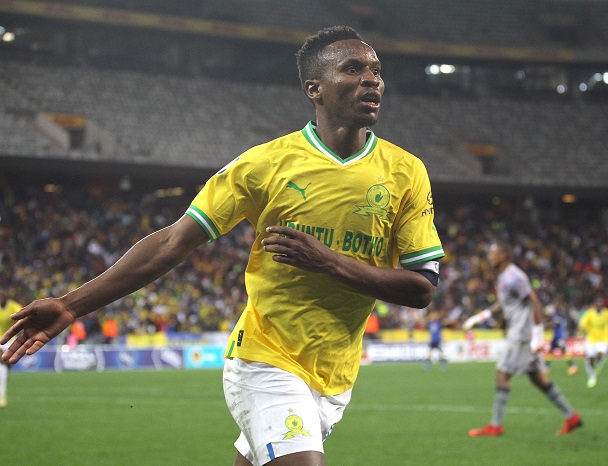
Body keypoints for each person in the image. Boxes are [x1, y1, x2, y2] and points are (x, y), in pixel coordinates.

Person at [1, 26, 444, 466]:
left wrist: (327, 261)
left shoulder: (406, 172)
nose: (372, 79)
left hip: (335, 373)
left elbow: (421, 289)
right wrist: (71, 305)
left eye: (376, 71)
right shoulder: (264, 164)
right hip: (264, 359)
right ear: (315, 88)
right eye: (353, 69)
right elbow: (173, 242)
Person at [463, 242, 581, 436]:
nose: (489, 257)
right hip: (521, 331)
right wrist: (480, 317)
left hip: (521, 333)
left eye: (493, 253)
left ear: (504, 255)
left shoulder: (515, 276)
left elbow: (533, 300)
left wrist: (538, 334)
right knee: (538, 379)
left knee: (502, 374)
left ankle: (496, 426)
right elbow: (503, 304)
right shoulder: (503, 278)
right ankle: (572, 417)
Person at [578, 298, 608, 388]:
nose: (598, 305)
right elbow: (583, 323)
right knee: (590, 358)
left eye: (600, 304)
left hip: (604, 339)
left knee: (600, 354)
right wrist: (581, 329)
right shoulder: (589, 313)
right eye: (597, 304)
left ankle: (599, 363)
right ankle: (592, 377)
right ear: (595, 305)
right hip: (591, 339)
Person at [0, 290, 23, 408]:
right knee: (2, 366)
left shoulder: (13, 307)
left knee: (4, 368)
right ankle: (1, 398)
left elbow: (24, 317)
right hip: (0, 340)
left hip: (10, 341)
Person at [544, 300, 578, 376]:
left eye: (557, 305)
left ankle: (572, 366)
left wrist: (547, 325)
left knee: (563, 350)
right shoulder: (555, 314)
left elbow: (555, 324)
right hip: (555, 337)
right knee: (551, 351)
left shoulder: (560, 314)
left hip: (560, 337)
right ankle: (546, 367)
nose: (555, 306)